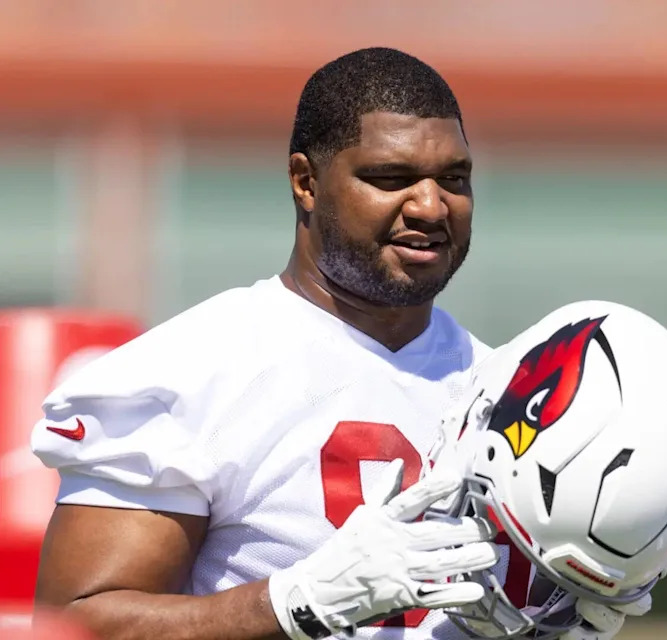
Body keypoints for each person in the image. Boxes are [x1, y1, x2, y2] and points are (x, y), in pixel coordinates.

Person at [31, 47, 499, 640]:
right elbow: (75, 626)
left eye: (453, 178)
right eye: (391, 178)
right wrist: (294, 602)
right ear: (306, 182)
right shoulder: (192, 370)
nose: (431, 206)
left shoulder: (506, 384)